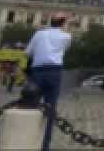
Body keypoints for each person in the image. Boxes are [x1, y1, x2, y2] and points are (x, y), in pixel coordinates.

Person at [26, 11, 73, 151]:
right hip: (54, 71)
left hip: (37, 71)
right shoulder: (66, 36)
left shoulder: (39, 34)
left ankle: (28, 138)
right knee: (50, 107)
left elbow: (27, 52)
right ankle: (45, 144)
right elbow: (65, 49)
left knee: (31, 104)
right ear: (63, 23)